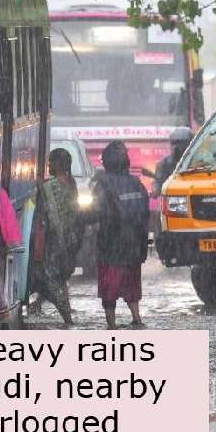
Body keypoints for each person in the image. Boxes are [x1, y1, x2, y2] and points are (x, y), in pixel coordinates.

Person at [92, 140, 150, 329]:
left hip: (111, 249)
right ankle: (137, 318)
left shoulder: (102, 184)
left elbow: (93, 213)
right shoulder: (137, 183)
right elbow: (145, 214)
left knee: (109, 290)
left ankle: (111, 326)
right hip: (134, 248)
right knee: (132, 286)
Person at [29, 147, 83, 327]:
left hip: (56, 242)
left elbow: (51, 216)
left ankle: (68, 319)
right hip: (71, 238)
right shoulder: (71, 182)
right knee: (58, 276)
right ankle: (37, 304)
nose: (49, 165)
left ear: (59, 164)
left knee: (52, 278)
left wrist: (39, 186)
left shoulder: (49, 186)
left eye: (51, 162)